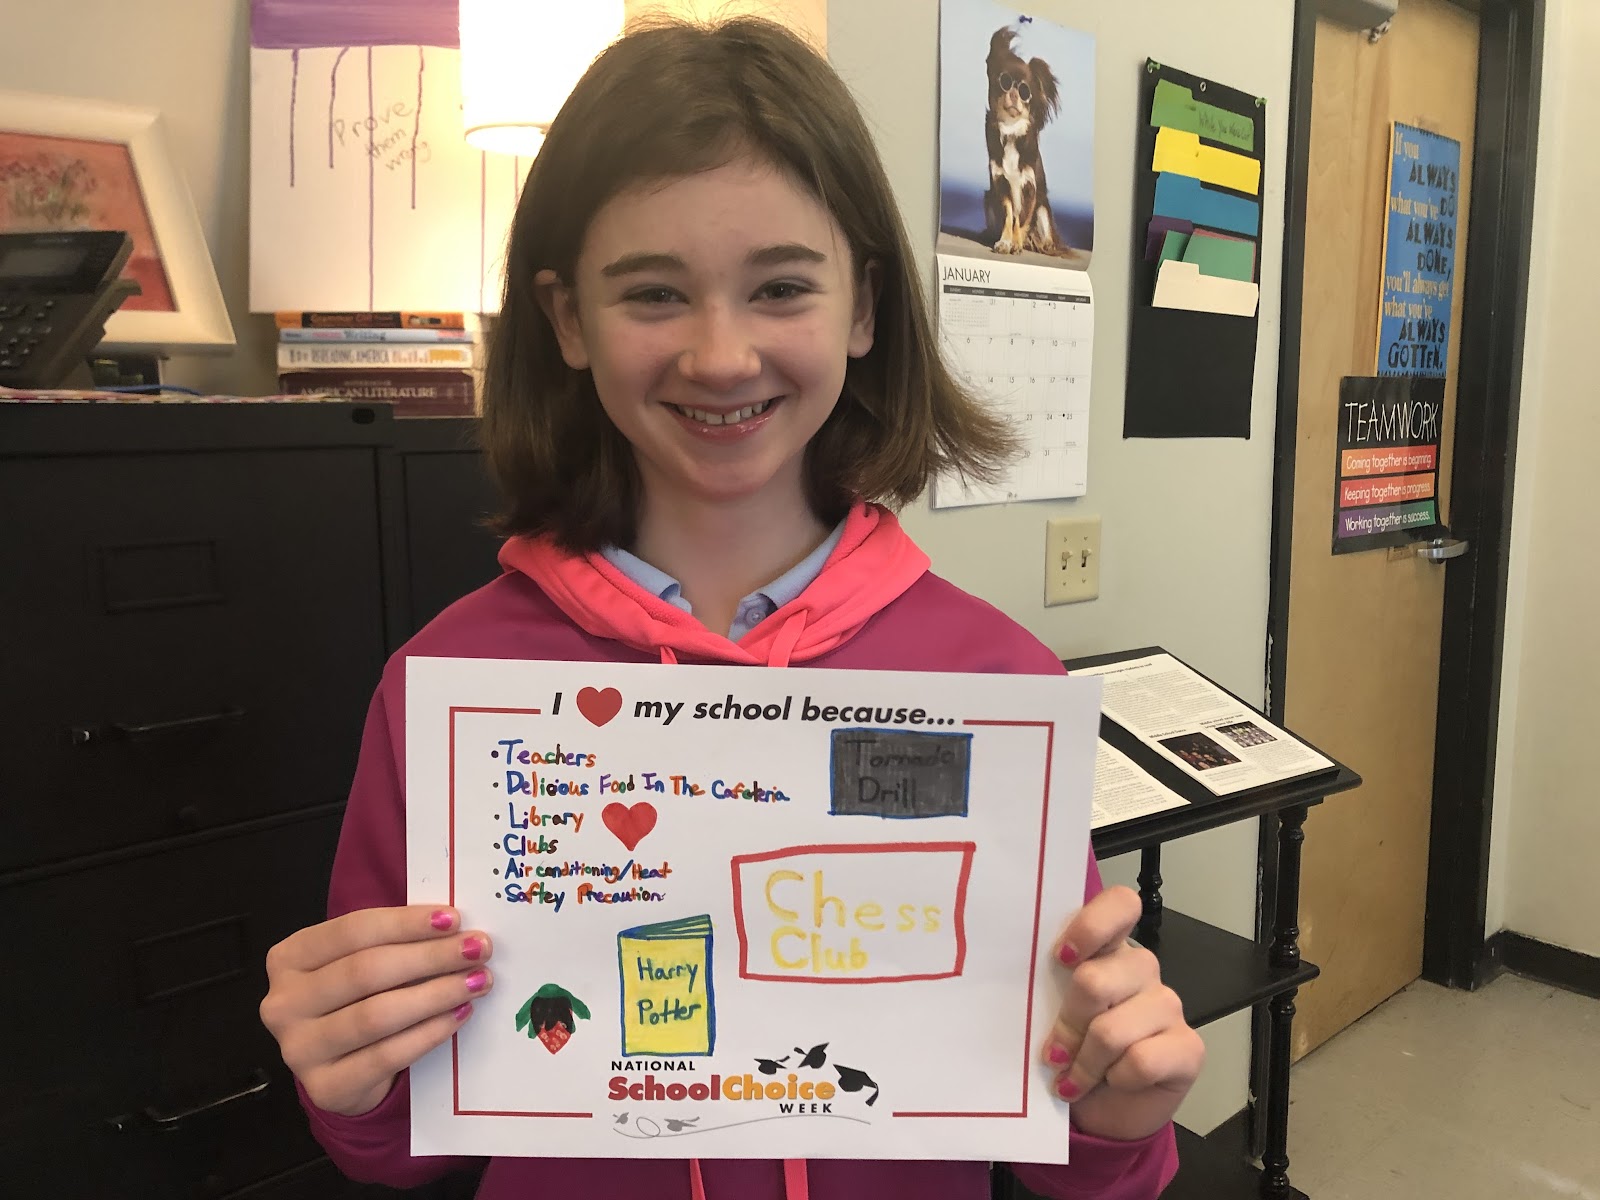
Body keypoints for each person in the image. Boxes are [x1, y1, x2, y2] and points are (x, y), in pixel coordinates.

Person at [259, 16, 1202, 1200]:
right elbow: (409, 1142)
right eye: (654, 293)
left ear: (863, 307)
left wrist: (1116, 1117)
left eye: (781, 288)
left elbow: (1062, 1137)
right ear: (567, 320)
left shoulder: (994, 685)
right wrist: (351, 1080)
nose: (719, 355)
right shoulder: (453, 687)